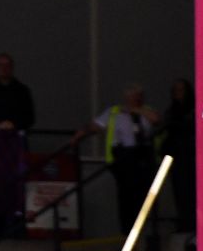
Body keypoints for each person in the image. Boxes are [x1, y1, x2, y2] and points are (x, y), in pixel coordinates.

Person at [73, 84, 161, 234]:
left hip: (143, 157)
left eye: (139, 94)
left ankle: (145, 230)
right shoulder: (113, 112)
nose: (136, 97)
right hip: (123, 157)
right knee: (126, 194)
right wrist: (78, 135)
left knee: (143, 194)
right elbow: (95, 126)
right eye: (133, 94)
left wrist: (136, 110)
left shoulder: (147, 111)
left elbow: (156, 120)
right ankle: (127, 231)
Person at [159, 78, 195, 232]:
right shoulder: (171, 111)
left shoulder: (194, 108)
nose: (178, 94)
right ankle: (184, 221)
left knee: (192, 188)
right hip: (176, 155)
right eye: (176, 91)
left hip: (192, 154)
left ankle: (193, 221)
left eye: (181, 90)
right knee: (180, 189)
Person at [0, 53, 36, 133]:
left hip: (17, 137)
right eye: (1, 65)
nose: (4, 68)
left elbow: (29, 118)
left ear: (12, 67)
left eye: (7, 65)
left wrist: (14, 125)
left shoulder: (23, 91)